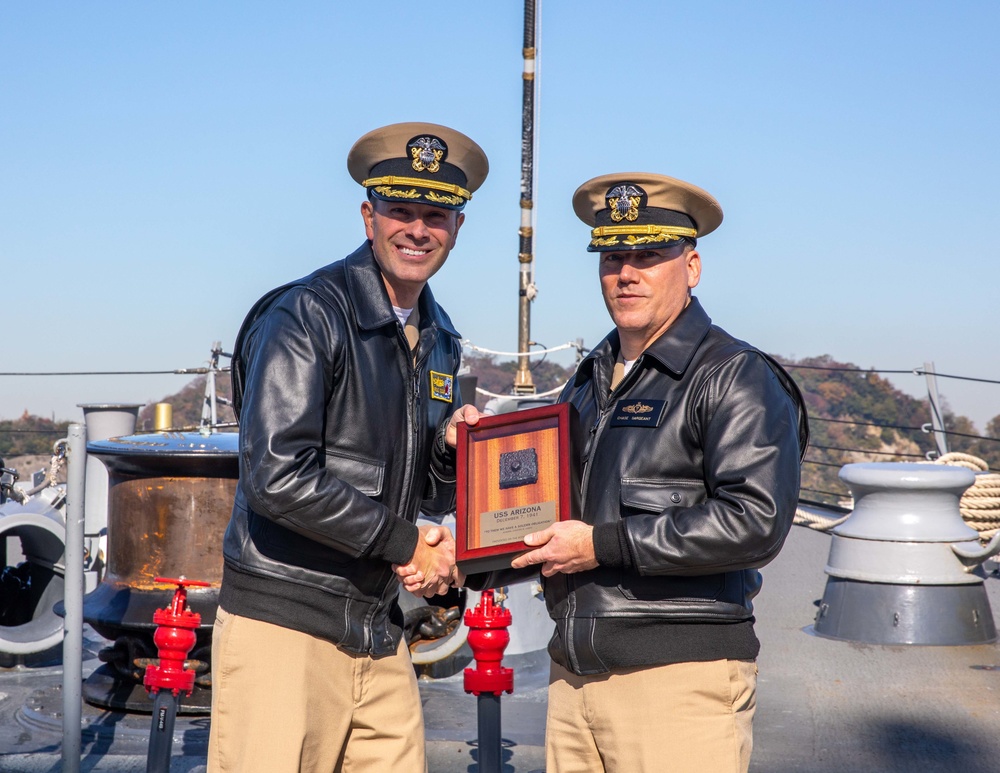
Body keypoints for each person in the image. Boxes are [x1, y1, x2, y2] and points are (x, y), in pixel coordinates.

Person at [446, 173, 808, 773]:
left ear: (691, 267)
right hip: (574, 680)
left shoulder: (733, 375)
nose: (627, 273)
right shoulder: (591, 381)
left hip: (676, 685)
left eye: (649, 255)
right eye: (613, 256)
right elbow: (546, 516)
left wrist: (601, 546)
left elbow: (756, 522)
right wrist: (463, 550)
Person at [207, 122, 487, 773]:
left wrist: (448, 449)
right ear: (369, 216)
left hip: (377, 627)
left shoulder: (440, 337)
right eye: (401, 210)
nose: (418, 229)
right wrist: (406, 545)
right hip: (286, 624)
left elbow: (423, 494)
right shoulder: (308, 315)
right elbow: (276, 476)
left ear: (457, 226)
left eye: (435, 215)